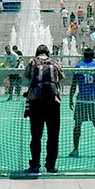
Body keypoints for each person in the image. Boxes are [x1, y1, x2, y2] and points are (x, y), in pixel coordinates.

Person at [23, 44, 64, 174]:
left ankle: (35, 164)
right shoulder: (55, 63)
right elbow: (62, 77)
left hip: (36, 103)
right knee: (53, 136)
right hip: (53, 103)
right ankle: (50, 165)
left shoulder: (32, 62)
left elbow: (27, 76)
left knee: (36, 136)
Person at [68, 48, 95, 158]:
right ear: (93, 56)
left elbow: (74, 84)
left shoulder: (78, 66)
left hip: (81, 100)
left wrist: (71, 98)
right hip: (94, 100)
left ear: (84, 56)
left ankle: (75, 149)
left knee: (77, 125)